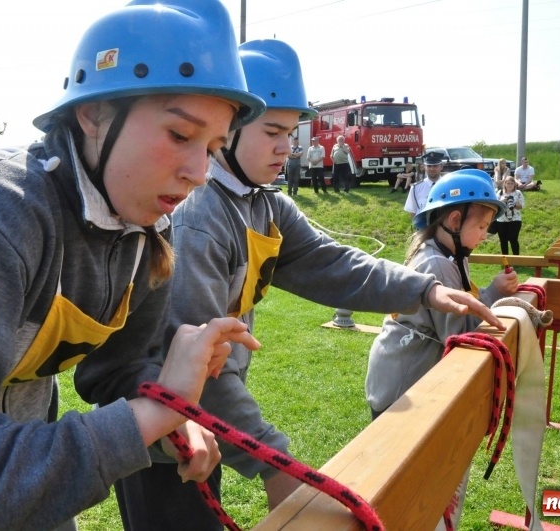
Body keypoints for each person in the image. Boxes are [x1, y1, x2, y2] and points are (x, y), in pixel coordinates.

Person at [117, 38, 506, 531]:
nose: (289, 147)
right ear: (228, 129)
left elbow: (332, 263)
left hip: (200, 428)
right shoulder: (200, 218)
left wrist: (423, 289)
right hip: (161, 435)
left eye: (293, 132)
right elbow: (195, 367)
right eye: (273, 132)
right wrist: (273, 460)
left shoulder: (263, 204)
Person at [0, 1, 266, 529]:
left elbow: (116, 367)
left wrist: (163, 407)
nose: (199, 173)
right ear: (93, 114)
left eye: (213, 147)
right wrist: (148, 417)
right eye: (179, 135)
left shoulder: (144, 233)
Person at [366, 168, 518, 529]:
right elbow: (459, 333)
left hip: (408, 382)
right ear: (454, 219)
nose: (485, 235)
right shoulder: (436, 263)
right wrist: (495, 293)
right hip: (402, 390)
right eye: (481, 227)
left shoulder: (451, 257)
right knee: (409, 488)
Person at [405, 150, 445, 220]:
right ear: (425, 167)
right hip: (424, 227)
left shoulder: (448, 185)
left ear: (441, 167)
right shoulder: (415, 188)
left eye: (435, 166)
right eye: (429, 166)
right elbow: (413, 212)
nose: (432, 169)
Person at [494, 175, 525, 255]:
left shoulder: (518, 193)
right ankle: (505, 260)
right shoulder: (500, 193)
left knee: (513, 238)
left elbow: (522, 206)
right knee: (503, 240)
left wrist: (514, 204)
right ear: (505, 184)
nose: (510, 185)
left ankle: (516, 259)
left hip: (515, 219)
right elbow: (495, 206)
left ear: (514, 184)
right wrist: (501, 201)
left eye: (512, 183)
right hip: (501, 220)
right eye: (508, 183)